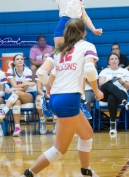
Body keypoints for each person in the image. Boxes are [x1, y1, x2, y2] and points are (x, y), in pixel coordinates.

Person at [21, 18, 104, 177]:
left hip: (58, 98)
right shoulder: (87, 46)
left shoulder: (58, 50)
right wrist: (96, 91)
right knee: (59, 149)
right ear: (83, 32)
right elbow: (89, 69)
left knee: (87, 134)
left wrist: (47, 88)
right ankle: (28, 174)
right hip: (68, 99)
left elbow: (40, 72)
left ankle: (86, 171)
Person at [0, 54, 36, 137]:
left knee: (17, 92)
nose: (20, 60)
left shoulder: (28, 71)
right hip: (16, 96)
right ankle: (17, 129)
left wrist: (13, 89)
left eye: (21, 59)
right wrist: (25, 84)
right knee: (16, 102)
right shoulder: (10, 71)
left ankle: (3, 112)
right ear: (14, 62)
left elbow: (24, 89)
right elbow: (16, 86)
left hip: (28, 95)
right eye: (18, 59)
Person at [99, 53, 129, 135]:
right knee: (108, 84)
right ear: (109, 62)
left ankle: (112, 124)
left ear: (118, 61)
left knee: (112, 97)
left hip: (121, 92)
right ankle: (124, 102)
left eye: (115, 59)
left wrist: (123, 83)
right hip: (105, 93)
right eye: (112, 59)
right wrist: (109, 80)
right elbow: (101, 83)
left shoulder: (125, 71)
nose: (114, 60)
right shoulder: (105, 71)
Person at [35, 52, 57, 134]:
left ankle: (55, 121)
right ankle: (42, 120)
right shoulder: (39, 71)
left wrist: (51, 94)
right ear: (43, 59)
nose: (47, 58)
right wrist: (45, 95)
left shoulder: (56, 70)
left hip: (54, 92)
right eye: (45, 57)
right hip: (43, 93)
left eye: (48, 57)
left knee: (56, 99)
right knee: (38, 99)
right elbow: (38, 88)